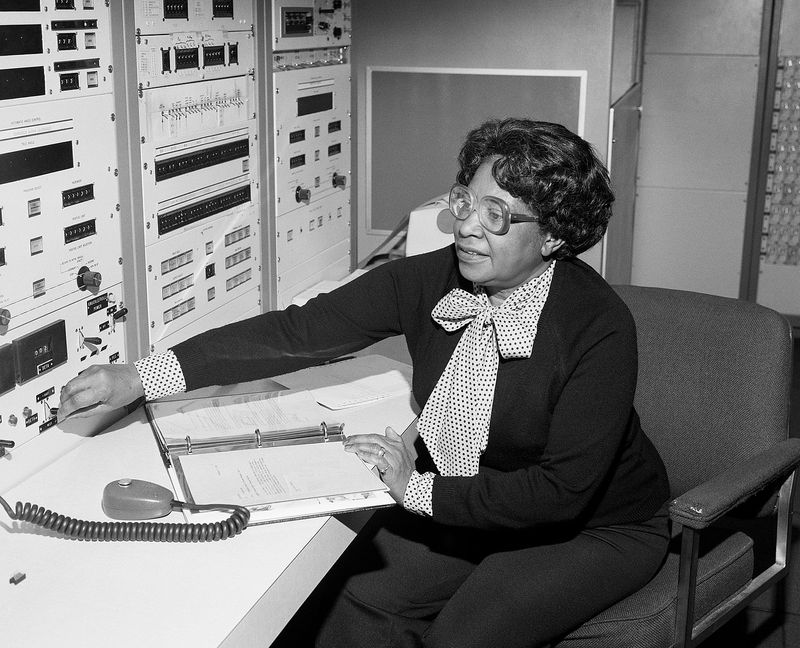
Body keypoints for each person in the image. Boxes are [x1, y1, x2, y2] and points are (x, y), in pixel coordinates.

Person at [58, 118, 670, 647]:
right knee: (356, 596)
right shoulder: (430, 278)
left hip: (592, 528)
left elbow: (560, 490)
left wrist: (418, 491)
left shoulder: (598, 328)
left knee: (463, 638)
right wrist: (143, 375)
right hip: (477, 496)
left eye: (498, 215)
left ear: (555, 236)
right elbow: (300, 332)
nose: (466, 227)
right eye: (466, 200)